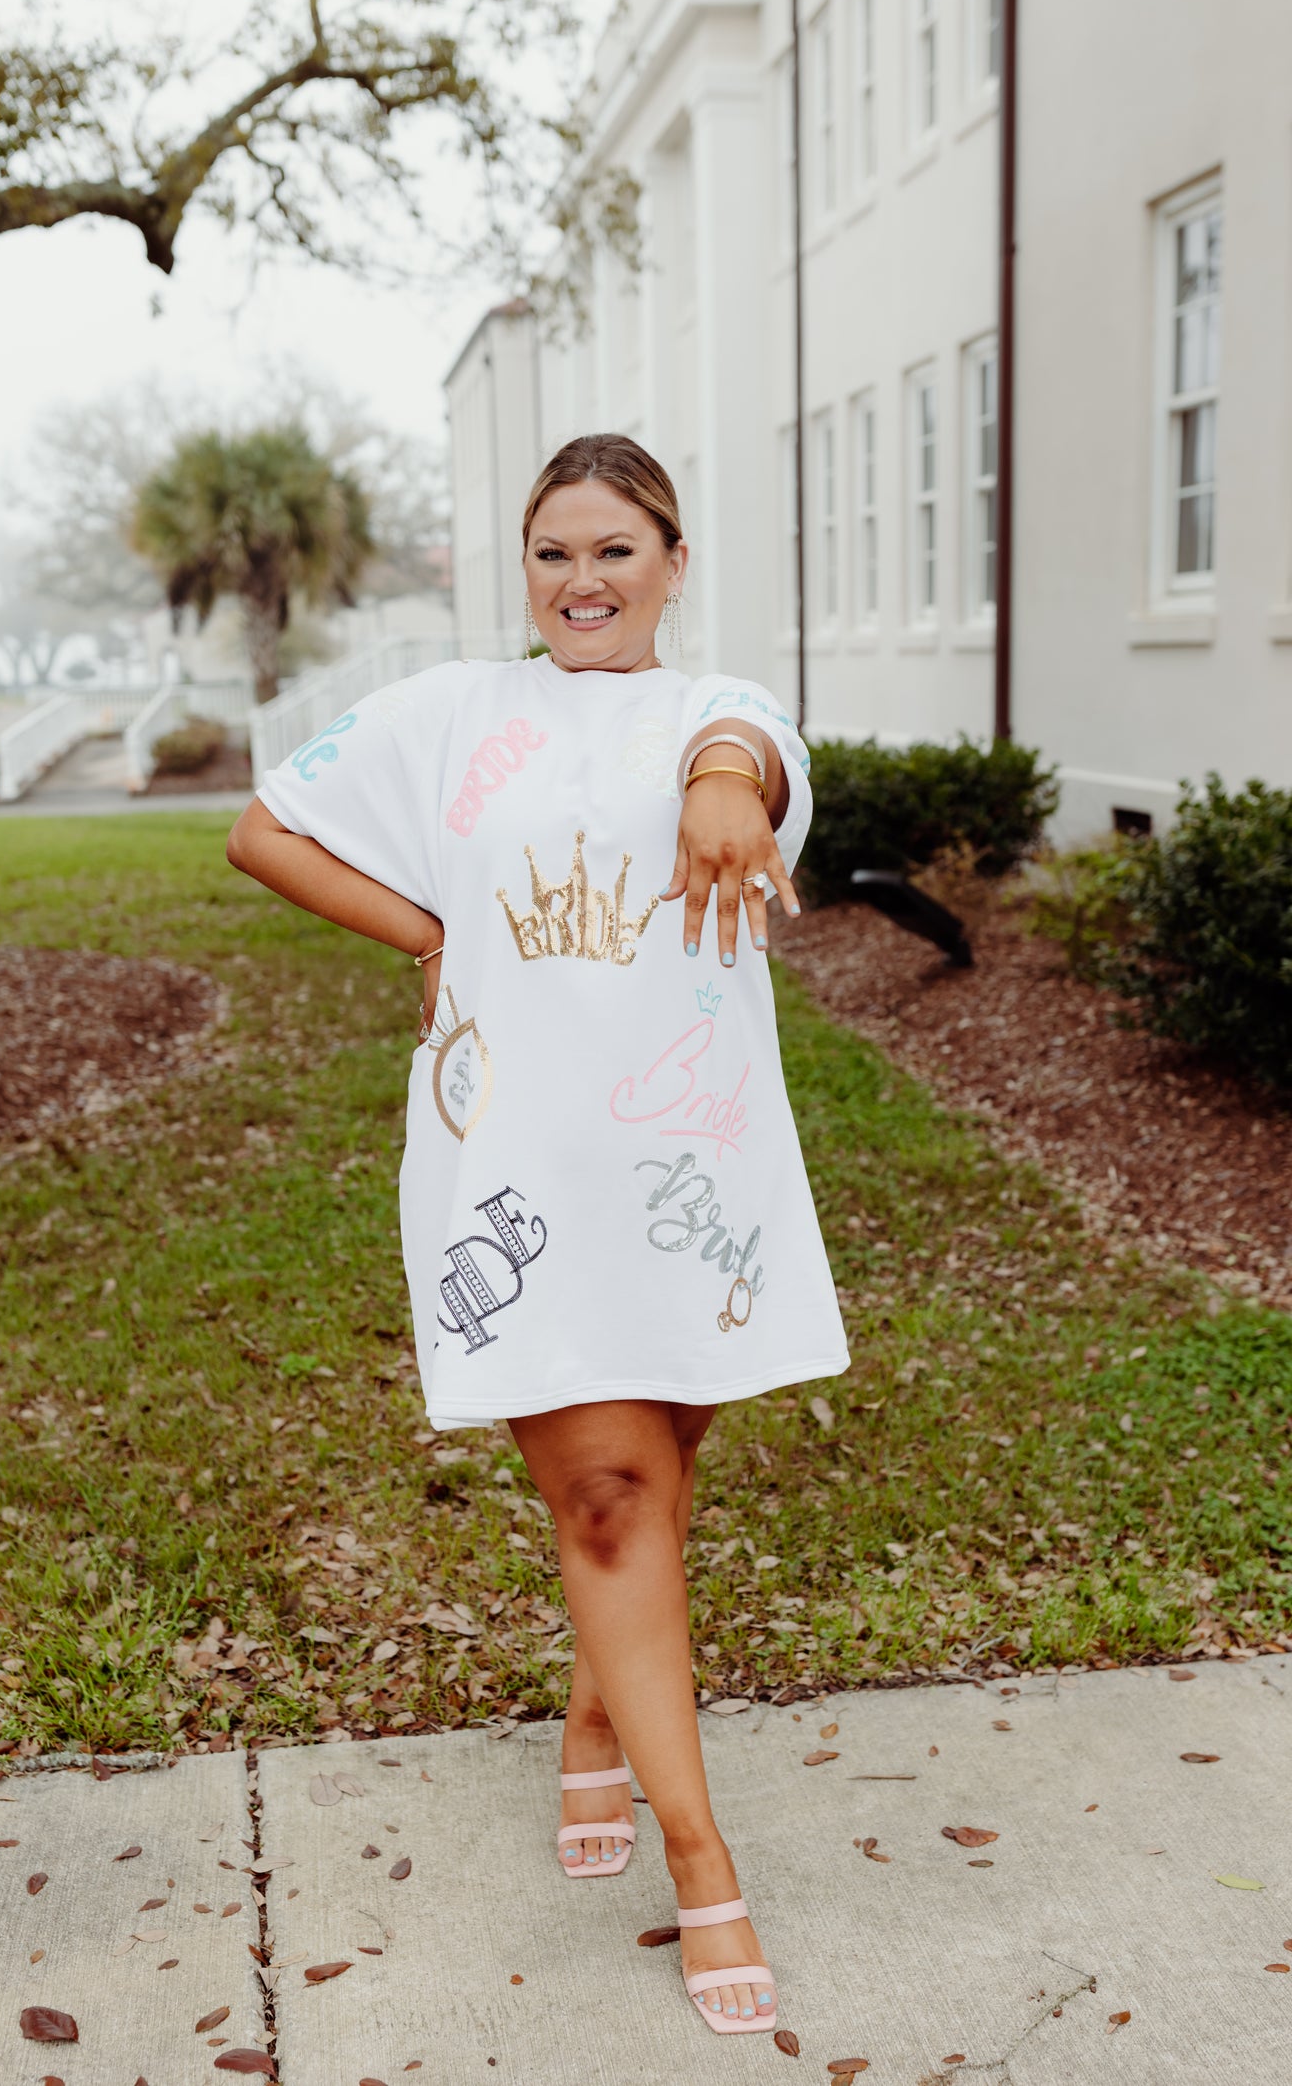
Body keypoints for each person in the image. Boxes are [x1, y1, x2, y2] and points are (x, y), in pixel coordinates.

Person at [226, 433, 849, 2038]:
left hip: (695, 1183)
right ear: (525, 568)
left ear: (673, 562)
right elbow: (264, 832)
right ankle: (704, 1863)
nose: (582, 583)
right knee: (611, 1498)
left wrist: (719, 786)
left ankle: (595, 1725)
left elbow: (743, 754)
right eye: (553, 554)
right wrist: (431, 934)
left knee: (666, 1470)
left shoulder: (727, 705)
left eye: (615, 553)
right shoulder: (452, 717)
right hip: (513, 1172)